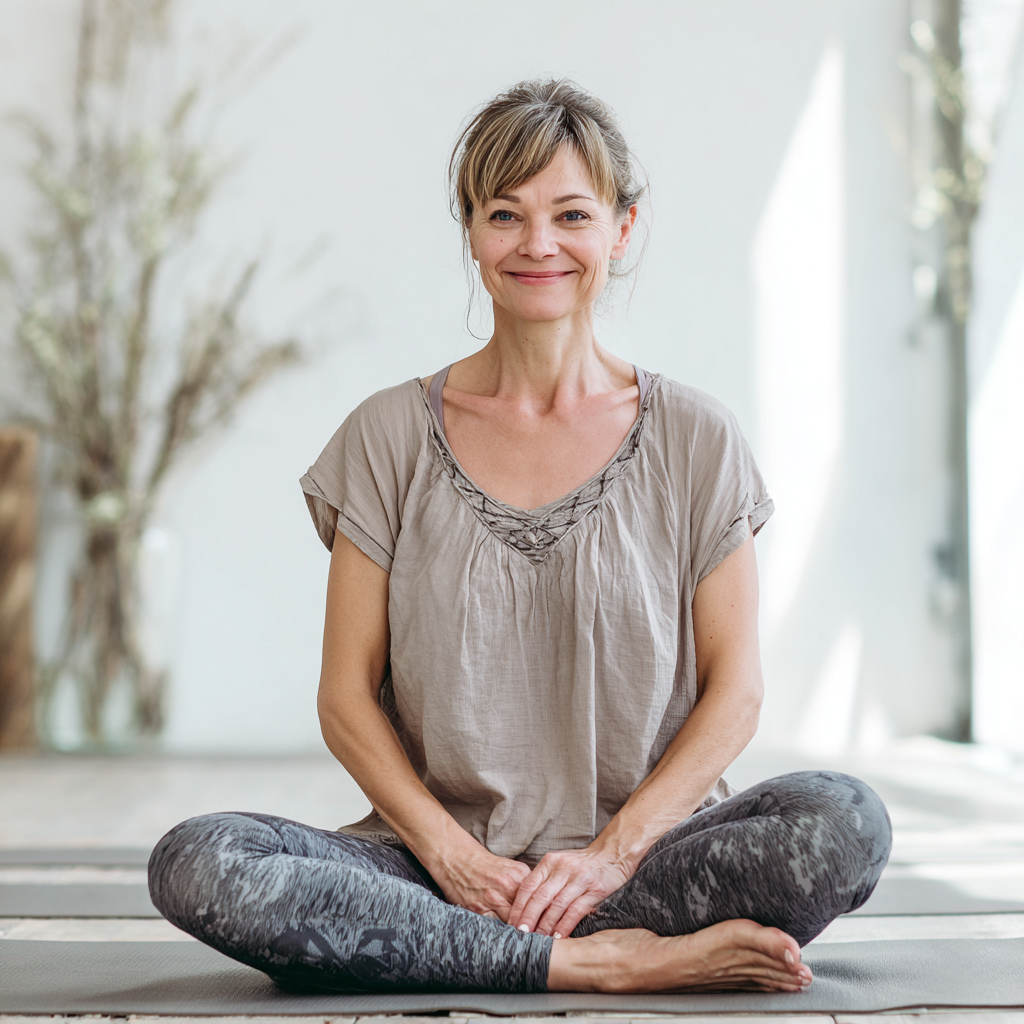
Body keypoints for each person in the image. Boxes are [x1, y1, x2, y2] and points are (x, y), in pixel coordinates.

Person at [148, 79, 891, 995]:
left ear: (621, 229)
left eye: (571, 214)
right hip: (433, 872)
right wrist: (456, 861)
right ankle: (590, 963)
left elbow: (736, 693)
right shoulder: (386, 436)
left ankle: (515, 947)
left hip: (645, 863)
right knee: (200, 859)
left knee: (847, 818)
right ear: (469, 228)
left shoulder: (699, 438)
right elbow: (345, 698)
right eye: (506, 214)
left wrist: (611, 857)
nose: (538, 244)